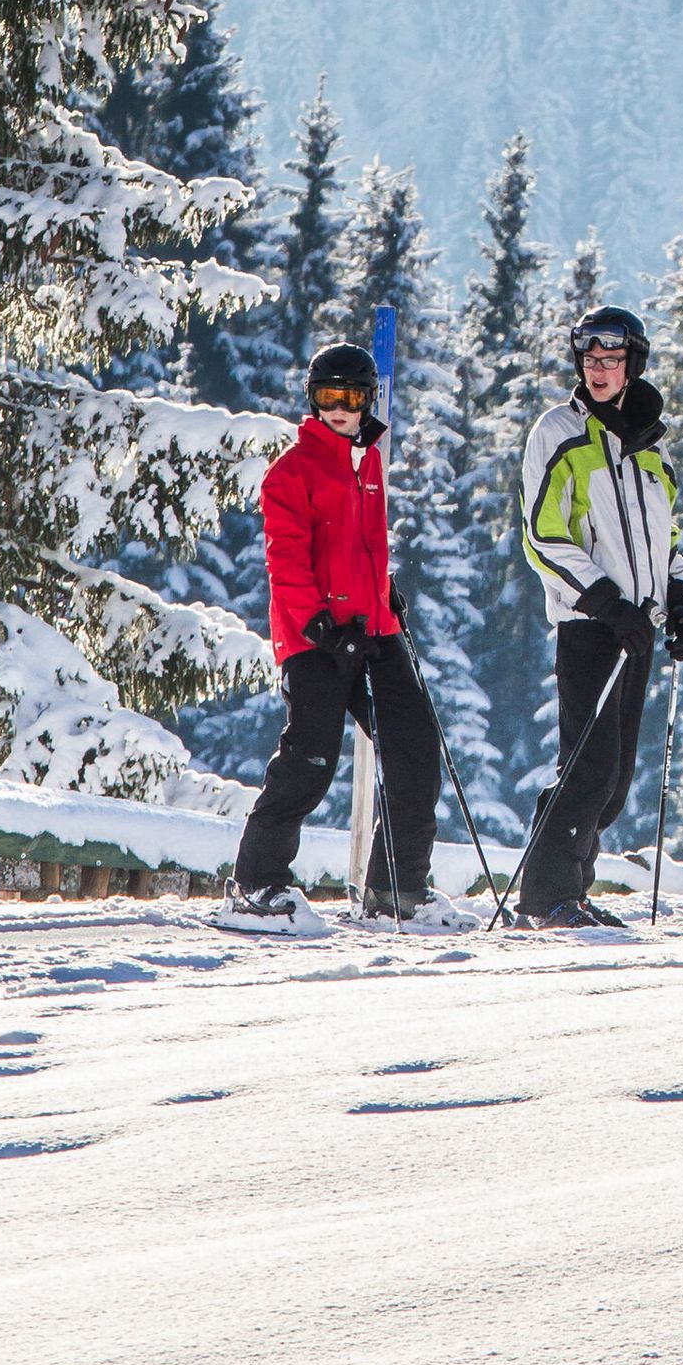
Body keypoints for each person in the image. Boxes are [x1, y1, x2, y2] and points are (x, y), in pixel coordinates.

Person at [222, 342, 463, 931]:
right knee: (311, 756)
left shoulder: (369, 463)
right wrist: (321, 623)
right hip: (317, 638)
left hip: (373, 629)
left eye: (352, 396)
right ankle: (256, 883)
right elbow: (287, 559)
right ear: (313, 398)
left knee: (413, 748)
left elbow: (363, 548)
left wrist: (384, 594)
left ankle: (394, 889)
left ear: (366, 401)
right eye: (329, 395)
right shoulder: (292, 471)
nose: (340, 408)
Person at [517, 305, 683, 929]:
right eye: (590, 360)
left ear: (632, 366)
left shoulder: (651, 454)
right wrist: (605, 602)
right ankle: (547, 897)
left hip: (637, 629)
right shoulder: (560, 432)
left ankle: (572, 891)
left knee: (614, 780)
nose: (598, 370)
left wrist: (680, 597)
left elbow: (664, 542)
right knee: (588, 765)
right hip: (591, 624)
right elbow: (542, 534)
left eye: (611, 360)